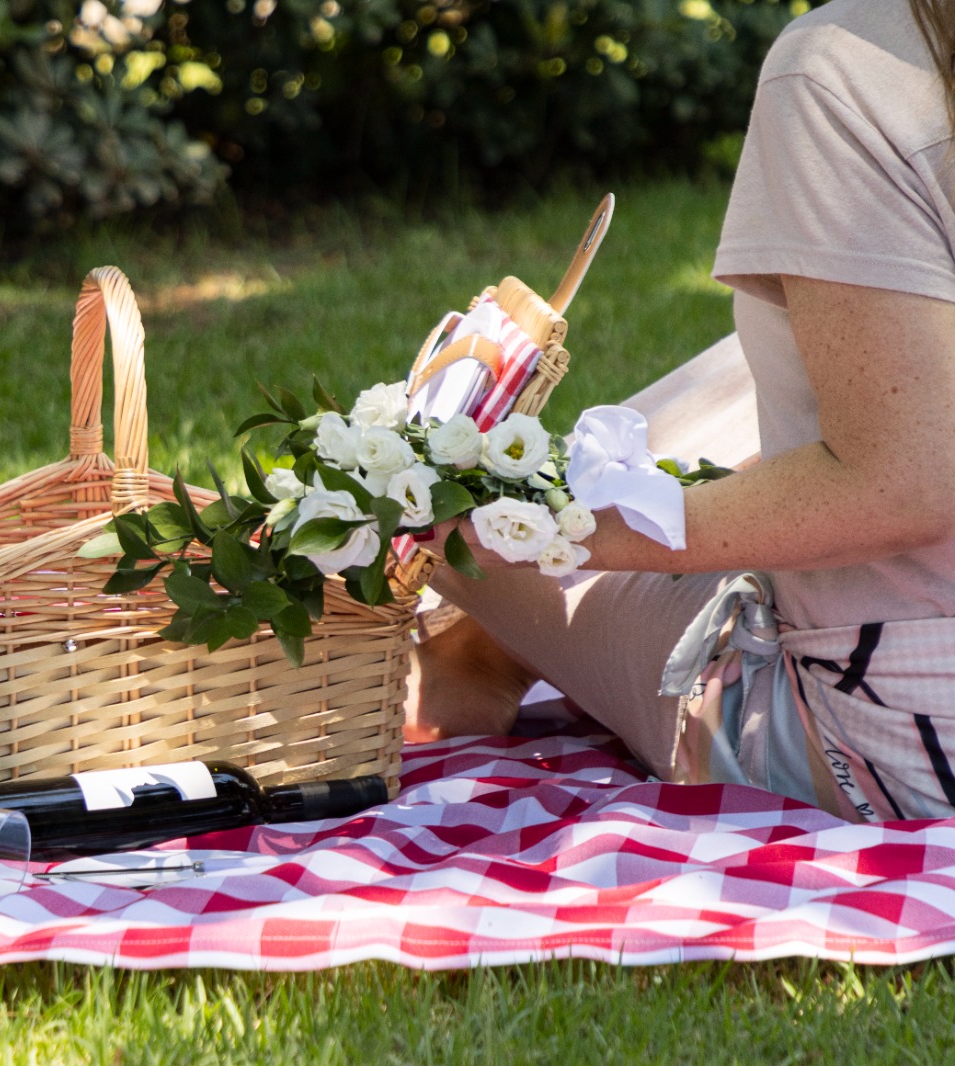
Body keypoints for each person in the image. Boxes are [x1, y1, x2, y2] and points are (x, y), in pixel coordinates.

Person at [409, 0, 955, 823]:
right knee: (751, 367)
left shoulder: (848, 62)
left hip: (904, 746)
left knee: (444, 524)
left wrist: (557, 533)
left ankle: (481, 653)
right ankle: (483, 647)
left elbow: (903, 487)